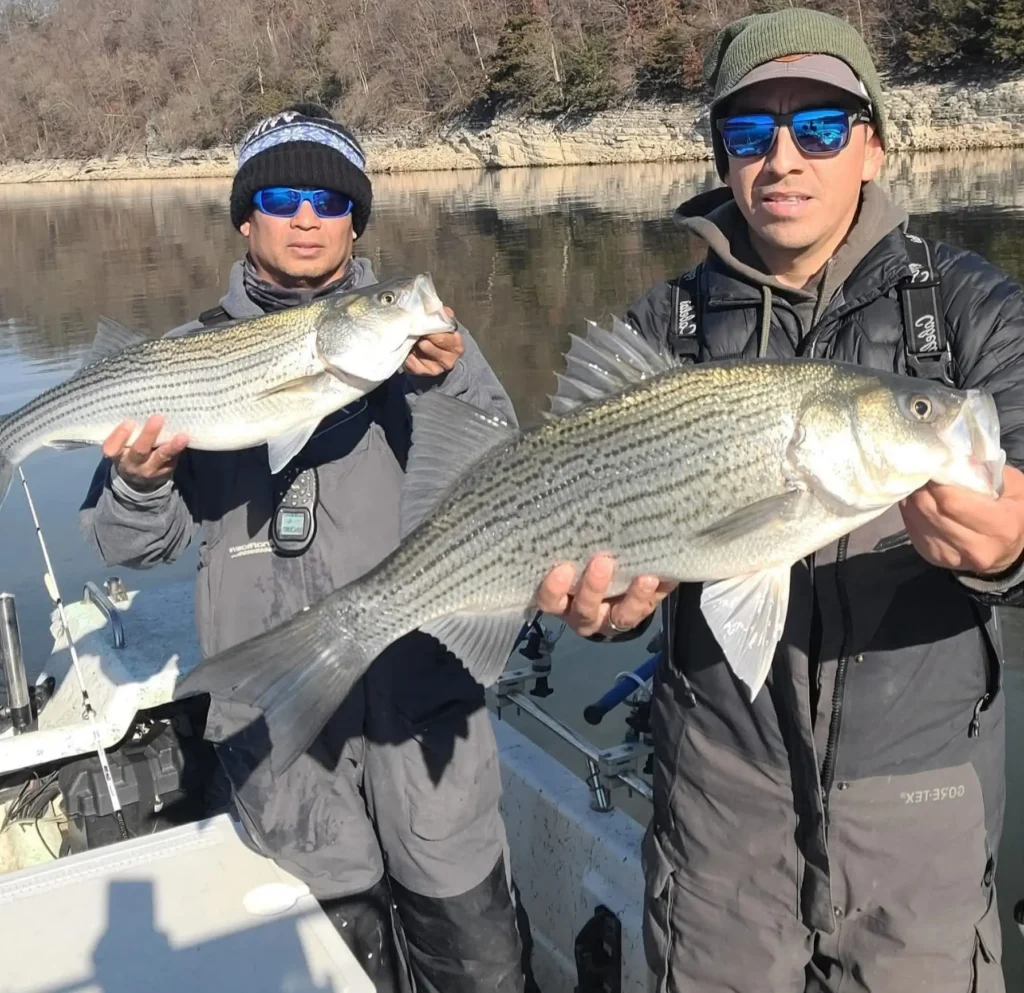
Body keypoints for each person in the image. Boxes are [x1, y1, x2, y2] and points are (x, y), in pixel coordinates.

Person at [536, 10, 1024, 992]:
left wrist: (1014, 545)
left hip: (917, 816)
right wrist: (601, 606)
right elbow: (606, 571)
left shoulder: (974, 309)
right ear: (722, 156)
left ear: (874, 143)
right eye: (750, 134)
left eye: (821, 128)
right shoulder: (657, 330)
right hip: (717, 816)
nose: (783, 158)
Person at [80, 103, 533, 993]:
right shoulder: (186, 360)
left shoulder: (426, 340)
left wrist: (454, 383)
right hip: (284, 750)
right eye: (282, 195)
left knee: (478, 962)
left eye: (330, 201)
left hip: (426, 718)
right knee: (333, 964)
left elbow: (508, 475)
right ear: (246, 215)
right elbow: (131, 541)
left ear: (355, 221)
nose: (305, 218)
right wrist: (137, 480)